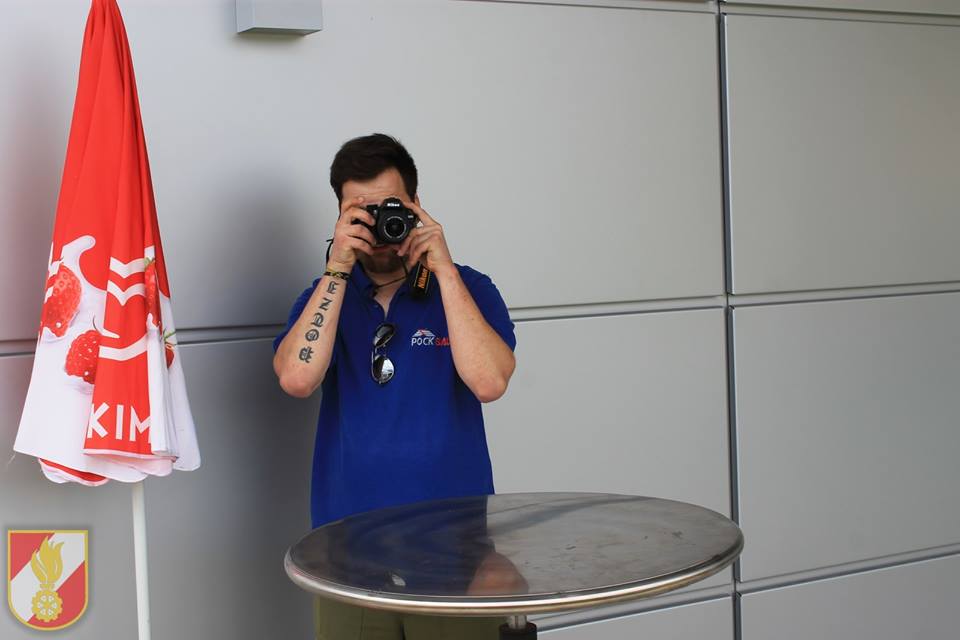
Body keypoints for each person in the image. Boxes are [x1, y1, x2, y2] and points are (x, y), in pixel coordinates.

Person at [272, 133, 518, 640]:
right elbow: (296, 378)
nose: (378, 227)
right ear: (340, 216)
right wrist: (338, 269)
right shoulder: (325, 296)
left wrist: (442, 268)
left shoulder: (468, 288)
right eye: (360, 212)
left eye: (390, 207)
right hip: (347, 560)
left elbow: (490, 382)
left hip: (456, 558)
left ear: (416, 206)